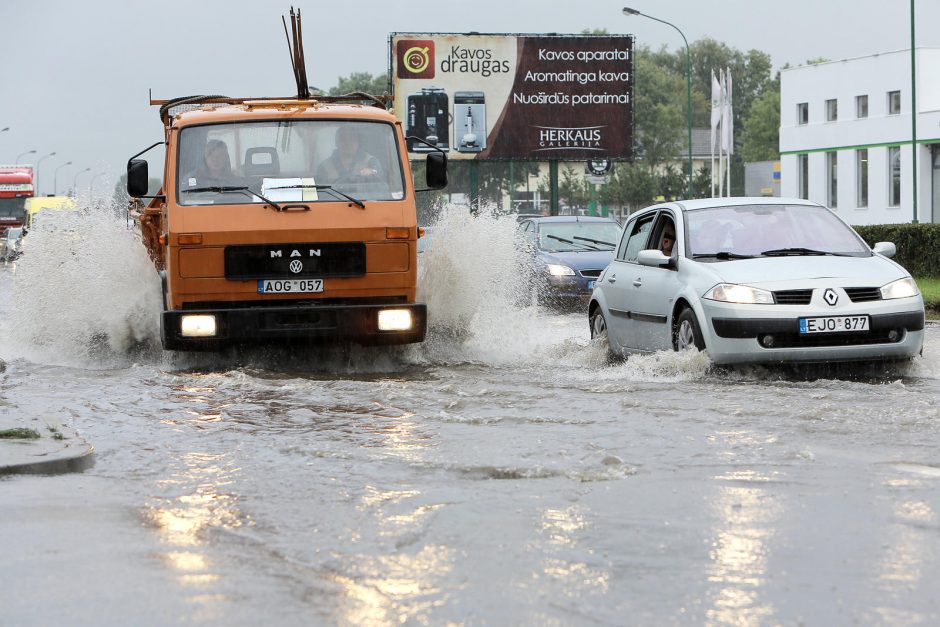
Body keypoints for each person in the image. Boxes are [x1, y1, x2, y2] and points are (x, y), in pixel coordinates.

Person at [316, 125, 382, 184]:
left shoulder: (371, 161)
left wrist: (373, 172)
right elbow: (320, 193)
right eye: (343, 139)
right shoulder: (324, 167)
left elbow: (382, 181)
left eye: (352, 139)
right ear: (337, 142)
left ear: (358, 142)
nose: (348, 143)